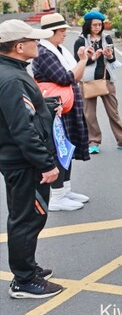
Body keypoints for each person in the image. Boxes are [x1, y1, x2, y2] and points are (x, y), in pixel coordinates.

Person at [0, 19, 63, 299]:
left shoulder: (10, 72)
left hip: (17, 158)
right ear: (19, 46)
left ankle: (28, 268)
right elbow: (22, 127)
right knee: (27, 218)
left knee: (26, 216)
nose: (38, 44)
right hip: (23, 162)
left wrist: (47, 107)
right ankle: (24, 280)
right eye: (34, 40)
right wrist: (45, 163)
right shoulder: (12, 78)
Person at [30, 13, 90, 212]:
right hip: (54, 107)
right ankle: (56, 195)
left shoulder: (58, 49)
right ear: (50, 33)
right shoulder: (44, 53)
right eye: (62, 30)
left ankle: (65, 189)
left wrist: (81, 63)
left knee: (68, 146)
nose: (65, 34)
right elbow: (66, 77)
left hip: (66, 106)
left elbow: (76, 76)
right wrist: (82, 60)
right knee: (58, 148)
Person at [74, 11, 122, 153]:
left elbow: (112, 60)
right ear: (88, 25)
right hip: (87, 81)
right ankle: (93, 142)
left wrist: (110, 56)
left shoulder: (107, 38)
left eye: (100, 25)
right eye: (94, 25)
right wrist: (93, 57)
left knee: (113, 112)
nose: (97, 27)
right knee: (89, 114)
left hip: (106, 79)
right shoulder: (81, 41)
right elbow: (78, 62)